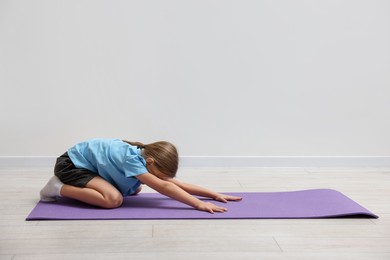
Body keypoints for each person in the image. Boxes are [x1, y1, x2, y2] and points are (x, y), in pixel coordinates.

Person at [40, 138, 242, 213]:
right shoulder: (132, 160)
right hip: (71, 166)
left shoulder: (145, 156)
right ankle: (56, 187)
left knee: (135, 188)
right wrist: (198, 204)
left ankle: (80, 186)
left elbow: (175, 183)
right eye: (160, 174)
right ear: (151, 162)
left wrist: (213, 194)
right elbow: (165, 188)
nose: (162, 179)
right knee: (113, 200)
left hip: (91, 167)